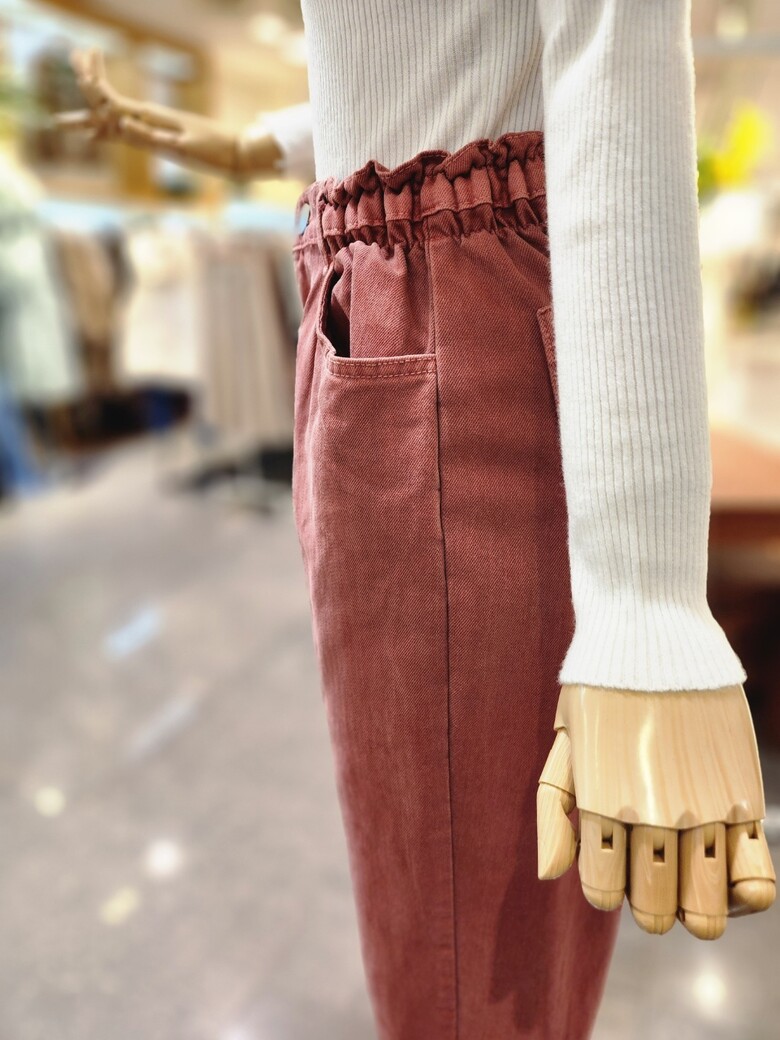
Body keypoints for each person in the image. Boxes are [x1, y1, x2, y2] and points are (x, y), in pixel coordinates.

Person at [59, 3, 776, 1038]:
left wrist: (644, 591)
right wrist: (283, 137)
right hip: (375, 289)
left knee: (467, 961)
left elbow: (610, 39)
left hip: (454, 308)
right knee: (428, 900)